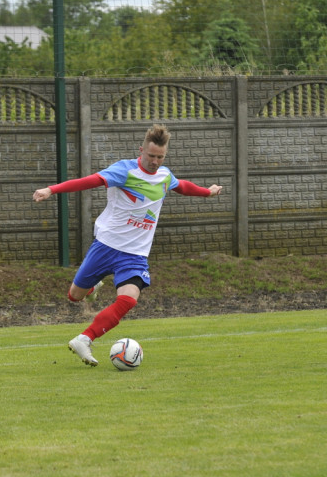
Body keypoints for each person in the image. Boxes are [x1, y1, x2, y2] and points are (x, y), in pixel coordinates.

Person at [33, 124, 223, 366]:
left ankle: (84, 339)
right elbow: (88, 181)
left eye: (160, 157)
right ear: (141, 150)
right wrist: (51, 189)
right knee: (75, 296)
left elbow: (182, 186)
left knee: (129, 299)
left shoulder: (165, 176)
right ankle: (91, 288)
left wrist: (207, 192)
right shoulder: (124, 171)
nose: (155, 161)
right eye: (151, 156)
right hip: (106, 246)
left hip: (135, 254)